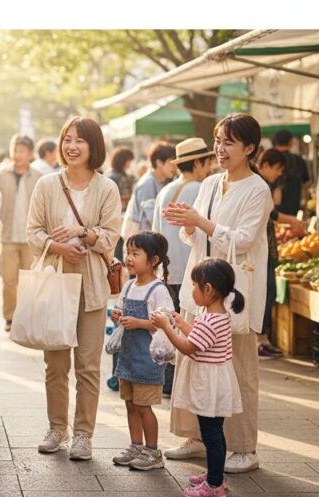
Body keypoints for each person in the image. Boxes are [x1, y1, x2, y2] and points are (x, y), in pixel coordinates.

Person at [161, 113, 272, 474]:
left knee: (238, 368)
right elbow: (194, 236)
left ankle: (243, 446)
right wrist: (187, 223)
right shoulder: (209, 183)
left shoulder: (258, 189)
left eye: (228, 142)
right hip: (201, 286)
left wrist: (200, 222)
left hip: (235, 291)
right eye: (217, 141)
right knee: (192, 363)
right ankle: (195, 437)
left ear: (249, 148)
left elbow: (243, 240)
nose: (220, 149)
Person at [26, 116, 121, 461]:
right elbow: (33, 232)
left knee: (88, 366)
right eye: (67, 138)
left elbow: (111, 236)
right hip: (55, 283)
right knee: (55, 364)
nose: (71, 146)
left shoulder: (106, 188)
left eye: (80, 140)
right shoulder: (47, 185)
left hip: (92, 285)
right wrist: (57, 247)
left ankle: (83, 434)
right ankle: (56, 428)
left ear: (93, 146)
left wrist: (83, 234)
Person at [150, 258, 245, 497]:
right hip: (215, 381)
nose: (192, 290)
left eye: (195, 285)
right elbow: (201, 341)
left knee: (211, 435)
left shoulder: (210, 320)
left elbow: (188, 347)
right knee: (215, 433)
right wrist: (182, 324)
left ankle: (214, 486)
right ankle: (216, 475)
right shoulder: (216, 316)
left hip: (209, 385)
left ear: (209, 289)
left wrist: (167, 327)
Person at [152, 138, 214, 395]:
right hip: (189, 270)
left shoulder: (166, 190)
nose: (210, 168)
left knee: (167, 324)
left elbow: (156, 230)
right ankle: (180, 382)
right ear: (198, 162)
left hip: (165, 269)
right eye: (207, 162)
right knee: (185, 325)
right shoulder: (202, 188)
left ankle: (166, 381)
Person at [110, 231, 174, 471]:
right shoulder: (128, 285)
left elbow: (166, 322)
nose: (129, 258)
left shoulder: (158, 290)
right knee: (130, 404)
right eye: (128, 252)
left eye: (136, 253)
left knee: (144, 406)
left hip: (147, 358)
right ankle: (136, 445)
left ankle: (153, 451)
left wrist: (140, 323)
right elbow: (119, 309)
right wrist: (117, 315)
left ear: (154, 260)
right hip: (127, 357)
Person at [256, 149, 306, 358]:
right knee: (266, 293)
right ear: (265, 165)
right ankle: (260, 340)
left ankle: (262, 338)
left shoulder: (260, 184)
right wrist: (293, 220)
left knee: (267, 293)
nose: (278, 174)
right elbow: (272, 214)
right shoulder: (260, 185)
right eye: (277, 169)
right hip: (262, 249)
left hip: (266, 247)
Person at [0, 134, 44, 332]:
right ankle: (10, 317)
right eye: (15, 149)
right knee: (9, 280)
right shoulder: (0, 175)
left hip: (31, 238)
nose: (17, 154)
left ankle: (28, 316)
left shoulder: (38, 177)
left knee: (30, 280)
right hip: (7, 236)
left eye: (22, 150)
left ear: (30, 153)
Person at [122, 142, 177, 238]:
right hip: (140, 239)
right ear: (159, 162)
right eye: (171, 162)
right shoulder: (148, 183)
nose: (175, 166)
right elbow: (150, 218)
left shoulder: (160, 181)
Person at [270, 130, 311, 218]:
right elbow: (306, 185)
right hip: (294, 207)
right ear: (291, 143)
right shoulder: (299, 160)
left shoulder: (270, 159)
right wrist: (305, 208)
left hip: (272, 208)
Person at [107, 147, 136, 211]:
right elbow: (111, 198)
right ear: (121, 161)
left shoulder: (125, 175)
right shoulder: (112, 177)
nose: (129, 164)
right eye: (128, 161)